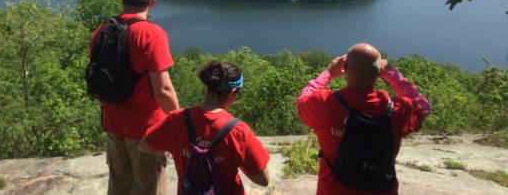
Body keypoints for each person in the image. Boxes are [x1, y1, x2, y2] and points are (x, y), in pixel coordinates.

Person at [296, 43, 431, 195]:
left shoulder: (326, 105)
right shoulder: (397, 109)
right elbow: (424, 107)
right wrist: (392, 73)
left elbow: (302, 100)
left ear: (345, 69)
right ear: (379, 72)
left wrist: (329, 72)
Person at [91, 0, 180, 195]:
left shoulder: (103, 30)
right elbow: (163, 90)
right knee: (148, 189)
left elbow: (99, 78)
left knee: (119, 186)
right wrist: (179, 122)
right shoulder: (151, 34)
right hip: (146, 130)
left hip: (113, 124)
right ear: (152, 1)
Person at [139, 60, 270, 195]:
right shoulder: (238, 131)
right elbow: (263, 180)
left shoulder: (177, 119)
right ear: (233, 92)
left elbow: (144, 145)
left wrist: (177, 149)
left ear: (208, 87)